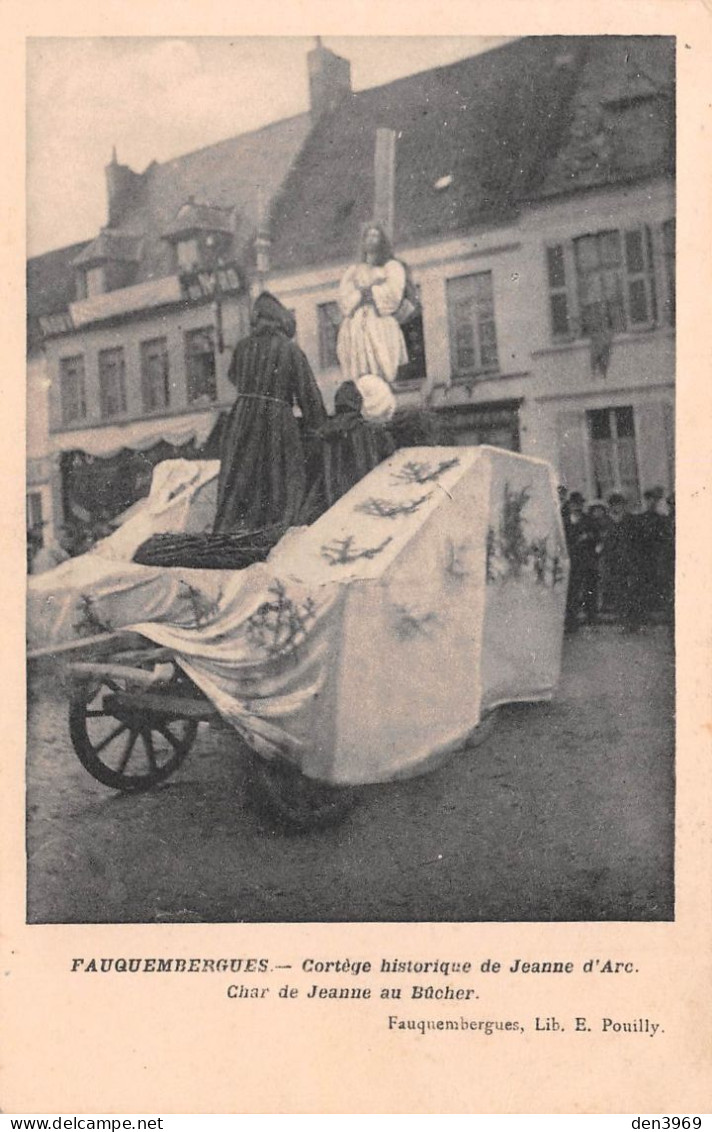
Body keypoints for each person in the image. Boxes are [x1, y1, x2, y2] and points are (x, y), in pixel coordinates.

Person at [213, 292, 327, 534]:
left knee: (240, 480)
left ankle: (232, 533)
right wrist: (319, 429)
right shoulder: (290, 351)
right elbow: (309, 398)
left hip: (242, 421)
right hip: (277, 422)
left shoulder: (242, 347)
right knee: (279, 480)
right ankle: (273, 534)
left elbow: (233, 376)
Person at [336, 222, 409, 385]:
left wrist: (371, 292)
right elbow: (344, 297)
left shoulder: (391, 267)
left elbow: (393, 293)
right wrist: (362, 294)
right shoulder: (353, 270)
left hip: (380, 320)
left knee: (381, 359)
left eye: (375, 236)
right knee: (360, 363)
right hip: (357, 324)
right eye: (368, 236)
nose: (371, 240)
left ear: (382, 240)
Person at [603, 493, 641, 632]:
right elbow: (606, 542)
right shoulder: (608, 522)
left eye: (619, 504)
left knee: (632, 592)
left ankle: (634, 623)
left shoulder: (631, 520)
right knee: (619, 593)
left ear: (624, 505)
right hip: (615, 563)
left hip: (630, 561)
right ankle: (624, 623)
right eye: (614, 504)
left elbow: (637, 541)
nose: (617, 507)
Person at [562, 492, 599, 630]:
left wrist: (588, 536)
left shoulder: (588, 520)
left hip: (586, 559)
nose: (577, 507)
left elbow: (596, 536)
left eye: (579, 504)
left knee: (589, 589)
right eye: (574, 504)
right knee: (571, 591)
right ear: (570, 505)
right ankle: (571, 621)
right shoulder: (564, 521)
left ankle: (591, 618)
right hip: (571, 560)